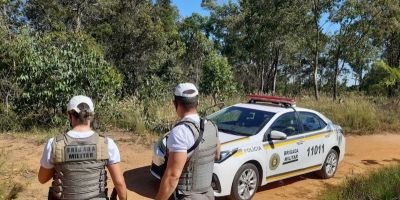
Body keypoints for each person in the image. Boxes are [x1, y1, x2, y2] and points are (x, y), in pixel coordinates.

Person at [38, 95, 127, 200]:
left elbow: (42, 179)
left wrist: (60, 163)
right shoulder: (107, 144)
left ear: (69, 115)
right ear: (91, 116)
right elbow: (119, 184)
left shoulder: (54, 144)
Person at [155, 83, 221, 200]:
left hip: (188, 196)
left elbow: (172, 177)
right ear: (198, 103)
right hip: (208, 195)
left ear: (175, 104)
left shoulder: (180, 132)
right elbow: (217, 155)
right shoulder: (211, 126)